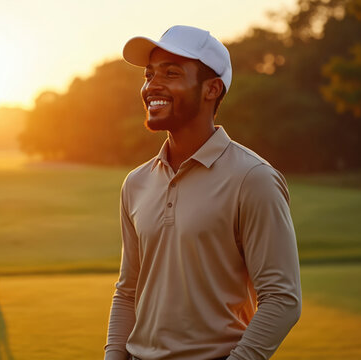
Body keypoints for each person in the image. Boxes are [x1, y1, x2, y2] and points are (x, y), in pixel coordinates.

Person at [105, 25, 301, 360]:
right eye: (149, 74)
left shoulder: (253, 178)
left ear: (211, 89)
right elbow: (128, 291)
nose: (152, 86)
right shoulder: (136, 183)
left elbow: (282, 299)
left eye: (171, 73)